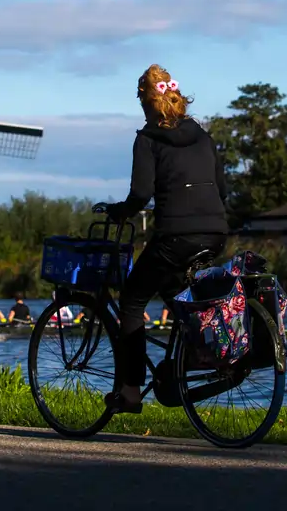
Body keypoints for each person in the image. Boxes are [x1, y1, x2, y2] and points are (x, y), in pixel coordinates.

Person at [94, 64, 229, 414]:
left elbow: (140, 193)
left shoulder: (148, 139)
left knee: (132, 301)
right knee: (174, 290)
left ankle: (130, 391)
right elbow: (223, 188)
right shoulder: (203, 135)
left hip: (175, 235)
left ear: (146, 101)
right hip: (215, 233)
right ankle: (201, 351)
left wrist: (121, 212)